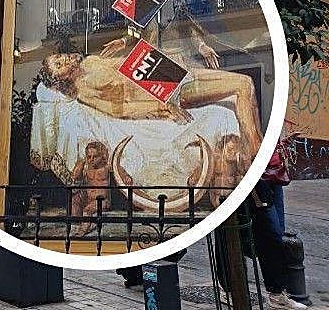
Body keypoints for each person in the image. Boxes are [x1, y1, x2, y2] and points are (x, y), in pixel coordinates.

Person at [39, 36, 263, 155]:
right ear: (60, 79)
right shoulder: (84, 91)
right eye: (58, 64)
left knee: (246, 83)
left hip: (167, 69)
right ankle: (257, 157)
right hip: (165, 88)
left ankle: (256, 153)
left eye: (60, 56)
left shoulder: (89, 61)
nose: (65, 58)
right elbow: (121, 109)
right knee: (243, 84)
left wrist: (124, 42)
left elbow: (129, 58)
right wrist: (162, 107)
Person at [251, 145, 305, 309]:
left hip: (275, 174)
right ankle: (275, 293)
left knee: (278, 233)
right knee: (271, 232)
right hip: (258, 176)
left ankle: (277, 293)